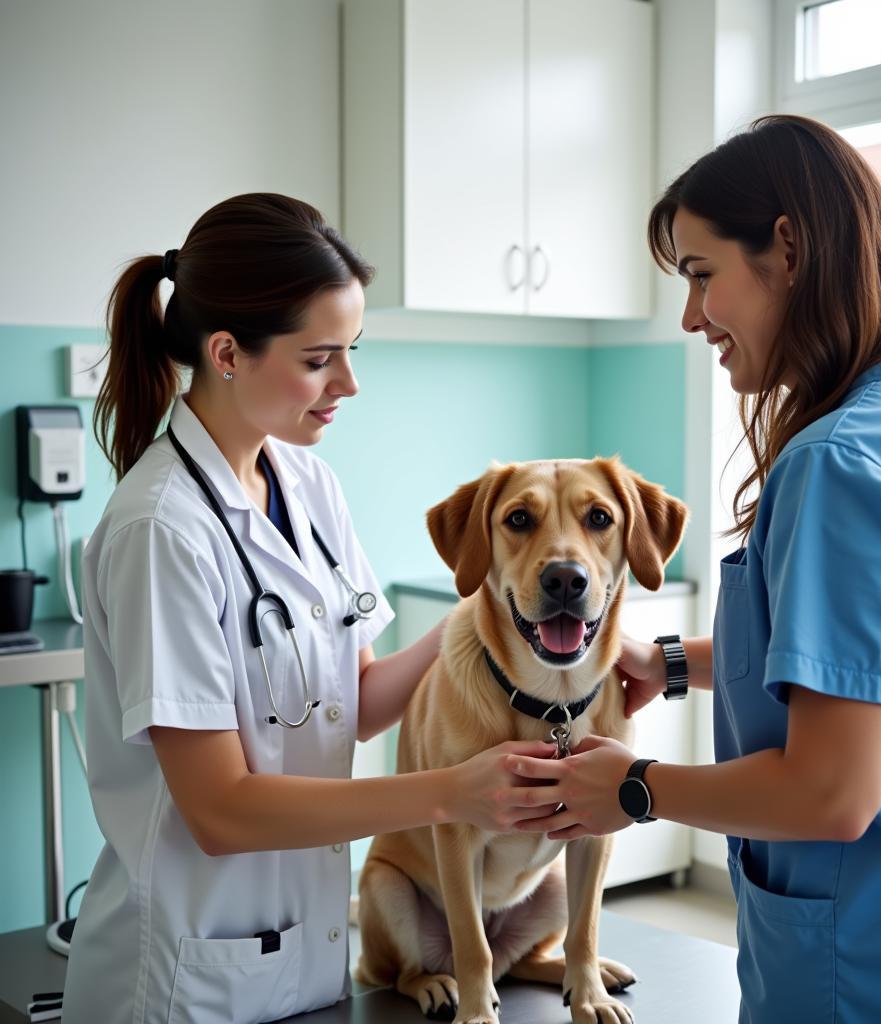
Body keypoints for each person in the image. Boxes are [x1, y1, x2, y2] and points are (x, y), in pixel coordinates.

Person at [511, 115, 881, 1022]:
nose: (690, 316)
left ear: (787, 248)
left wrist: (633, 787)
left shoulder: (842, 462)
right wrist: (673, 664)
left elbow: (832, 793)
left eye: (703, 276)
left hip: (866, 973)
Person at [62, 193, 556, 1024]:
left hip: (305, 959)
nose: (349, 383)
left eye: (351, 350)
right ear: (226, 353)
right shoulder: (160, 530)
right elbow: (219, 810)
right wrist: (447, 792)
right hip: (189, 977)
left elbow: (352, 706)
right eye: (321, 357)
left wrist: (483, 615)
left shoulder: (308, 482)